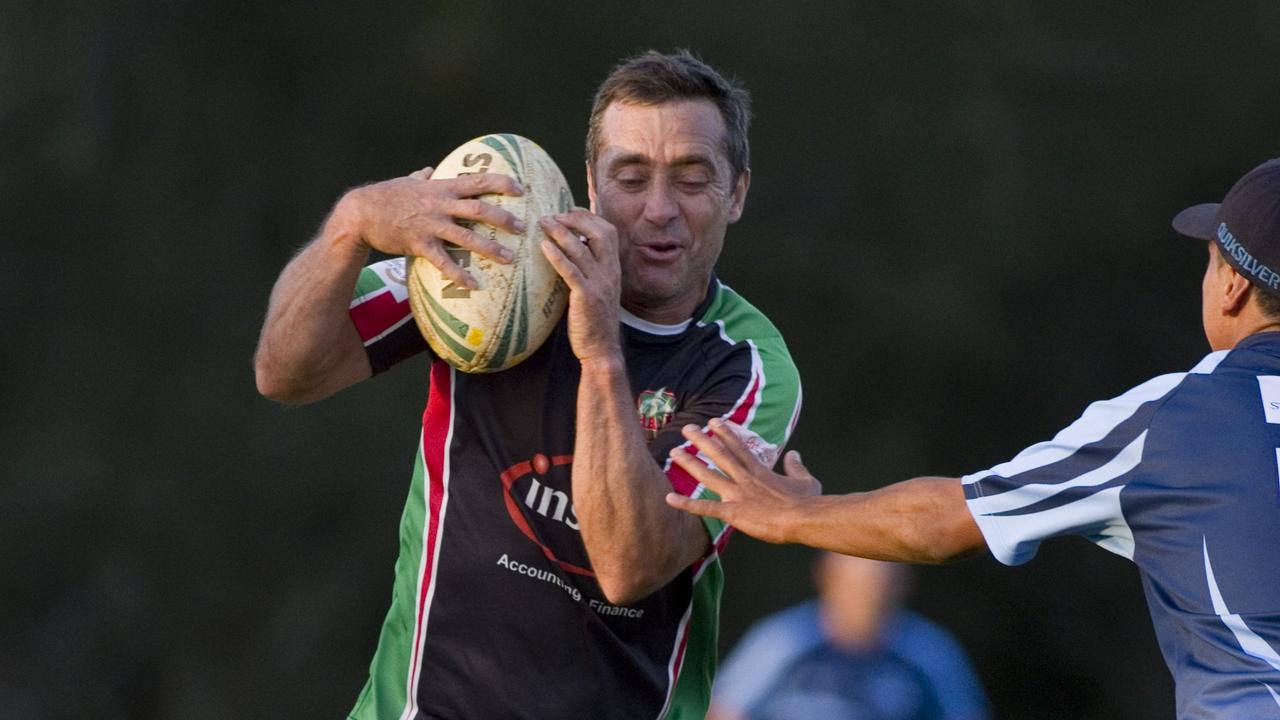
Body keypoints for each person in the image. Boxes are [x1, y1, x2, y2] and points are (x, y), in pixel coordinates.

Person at [254, 50, 802, 719]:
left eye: (692, 179)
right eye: (631, 177)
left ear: (737, 192)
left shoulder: (747, 366)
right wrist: (354, 225)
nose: (660, 209)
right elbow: (285, 372)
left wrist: (600, 349)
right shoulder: (501, 270)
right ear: (591, 188)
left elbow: (628, 567)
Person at [666, 158, 1280, 719]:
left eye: (1209, 261)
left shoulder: (1171, 418)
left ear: (1230, 286)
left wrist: (794, 513)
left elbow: (945, 521)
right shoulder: (791, 646)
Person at [708, 553, 990, 720]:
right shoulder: (782, 640)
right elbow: (725, 711)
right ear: (827, 580)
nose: (868, 598)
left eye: (879, 586)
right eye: (857, 586)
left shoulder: (929, 652)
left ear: (902, 587)